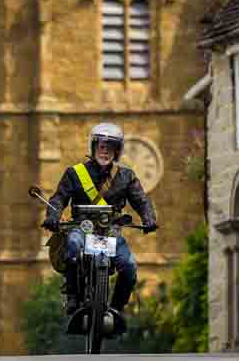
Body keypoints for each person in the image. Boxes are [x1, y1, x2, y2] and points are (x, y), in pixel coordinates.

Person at [42, 123, 157, 316]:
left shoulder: (126, 176)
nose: (105, 151)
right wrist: (52, 216)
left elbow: (141, 200)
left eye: (110, 148)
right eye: (102, 146)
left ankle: (117, 308)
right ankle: (72, 295)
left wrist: (149, 218)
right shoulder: (75, 173)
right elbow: (59, 198)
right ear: (94, 147)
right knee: (72, 247)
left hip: (109, 234)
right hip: (81, 230)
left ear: (117, 152)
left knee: (129, 267)